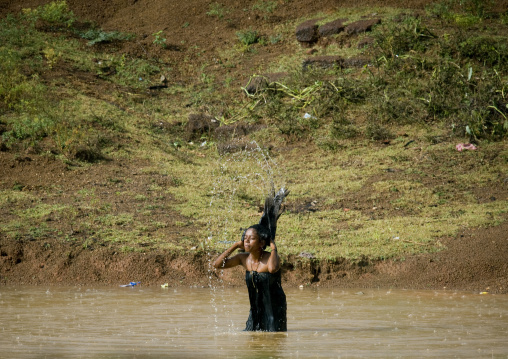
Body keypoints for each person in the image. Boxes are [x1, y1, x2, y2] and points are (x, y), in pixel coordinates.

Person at [213, 223, 287, 332]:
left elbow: (272, 269)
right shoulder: (243, 258)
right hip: (255, 307)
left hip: (274, 307)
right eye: (245, 238)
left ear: (261, 243)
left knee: (274, 336)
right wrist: (236, 245)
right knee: (251, 333)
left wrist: (273, 248)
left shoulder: (271, 258)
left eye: (251, 238)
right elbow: (217, 264)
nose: (247, 241)